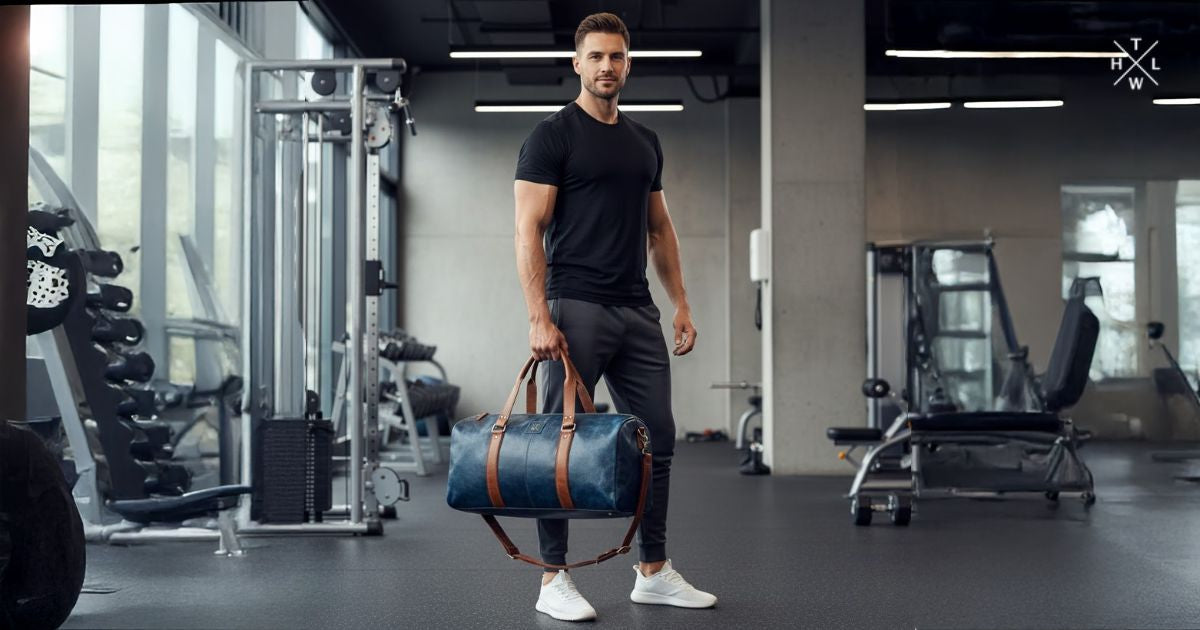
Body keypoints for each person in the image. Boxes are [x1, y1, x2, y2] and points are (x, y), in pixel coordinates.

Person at [512, 11, 718, 623]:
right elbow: (528, 229)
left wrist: (680, 301)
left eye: (618, 56)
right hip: (575, 307)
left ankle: (652, 570)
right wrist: (537, 316)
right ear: (577, 64)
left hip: (637, 311)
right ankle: (554, 578)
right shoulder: (552, 136)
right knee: (560, 443)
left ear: (629, 63)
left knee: (658, 438)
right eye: (596, 56)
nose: (608, 66)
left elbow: (660, 228)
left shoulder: (645, 142)